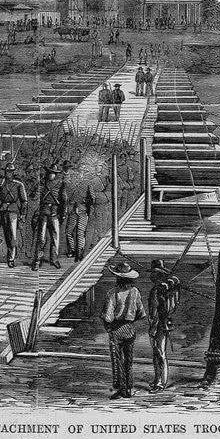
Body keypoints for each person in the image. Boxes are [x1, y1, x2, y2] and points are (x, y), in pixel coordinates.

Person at [102, 262, 147, 399]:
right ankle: (128, 387)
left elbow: (108, 316)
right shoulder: (135, 292)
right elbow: (141, 313)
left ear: (118, 278)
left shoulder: (113, 293)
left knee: (118, 360)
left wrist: (108, 327)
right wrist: (130, 318)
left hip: (117, 328)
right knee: (128, 359)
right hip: (130, 328)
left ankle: (121, 388)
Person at [147, 259, 181, 393]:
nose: (151, 276)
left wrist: (154, 326)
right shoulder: (156, 290)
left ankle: (161, 383)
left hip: (160, 324)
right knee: (156, 353)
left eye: (154, 274)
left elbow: (159, 310)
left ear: (159, 275)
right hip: (155, 324)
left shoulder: (162, 289)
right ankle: (157, 379)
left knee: (160, 353)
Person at [32, 164, 66, 271]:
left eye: (54, 173)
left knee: (55, 238)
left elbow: (64, 200)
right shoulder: (42, 184)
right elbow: (35, 197)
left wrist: (63, 212)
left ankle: (54, 259)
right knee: (41, 238)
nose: (52, 175)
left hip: (55, 213)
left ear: (56, 174)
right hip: (44, 213)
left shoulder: (60, 185)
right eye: (50, 173)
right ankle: (37, 261)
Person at [0, 163, 28, 268]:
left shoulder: (19, 184)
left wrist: (23, 214)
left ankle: (11, 258)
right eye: (6, 172)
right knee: (6, 235)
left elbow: (24, 201)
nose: (8, 173)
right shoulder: (2, 185)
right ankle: (9, 254)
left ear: (13, 173)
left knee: (13, 235)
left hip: (13, 211)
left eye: (10, 172)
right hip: (3, 211)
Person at [64, 170, 96, 262]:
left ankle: (79, 254)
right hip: (72, 210)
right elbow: (66, 197)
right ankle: (71, 250)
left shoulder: (87, 184)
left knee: (80, 233)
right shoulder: (70, 184)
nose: (78, 175)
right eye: (76, 174)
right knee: (68, 232)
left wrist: (89, 209)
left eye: (80, 173)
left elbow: (92, 198)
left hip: (83, 210)